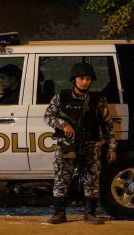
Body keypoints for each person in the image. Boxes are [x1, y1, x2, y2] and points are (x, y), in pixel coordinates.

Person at [44, 63, 117, 224]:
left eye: (88, 79)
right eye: (81, 78)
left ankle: (90, 214)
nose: (84, 82)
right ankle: (59, 214)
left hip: (91, 145)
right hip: (67, 145)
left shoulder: (99, 100)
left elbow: (108, 126)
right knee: (62, 179)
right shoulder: (61, 97)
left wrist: (111, 147)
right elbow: (48, 116)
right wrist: (64, 125)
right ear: (74, 80)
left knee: (91, 180)